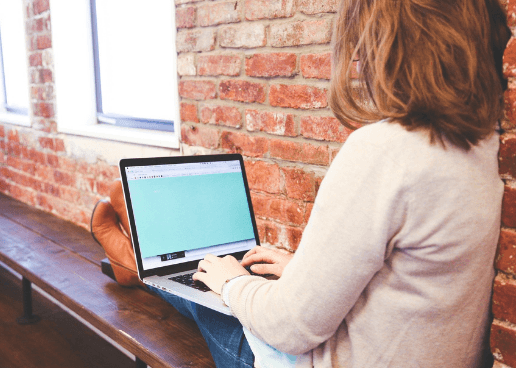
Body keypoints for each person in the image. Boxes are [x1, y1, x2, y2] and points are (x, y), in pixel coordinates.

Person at [92, 0, 511, 366]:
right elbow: (412, 284)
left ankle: (133, 263)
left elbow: (290, 329)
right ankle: (141, 264)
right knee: (221, 276)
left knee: (210, 296)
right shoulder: (490, 150)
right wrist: (303, 273)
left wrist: (233, 282)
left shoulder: (385, 151)